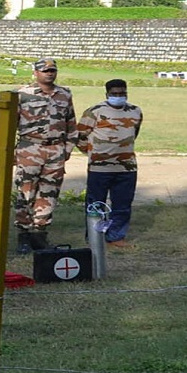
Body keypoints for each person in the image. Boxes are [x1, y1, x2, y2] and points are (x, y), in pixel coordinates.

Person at [14, 58, 78, 254]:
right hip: (30, 148)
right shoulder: (23, 94)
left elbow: (71, 124)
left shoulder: (64, 94)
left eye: (52, 70)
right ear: (36, 73)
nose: (49, 73)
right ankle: (24, 236)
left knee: (49, 194)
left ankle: (39, 234)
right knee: (25, 193)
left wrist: (66, 149)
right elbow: (10, 124)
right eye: (45, 70)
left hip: (55, 150)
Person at [76, 79, 143, 248]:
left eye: (122, 93)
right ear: (107, 94)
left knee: (122, 204)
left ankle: (116, 236)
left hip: (126, 167)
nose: (119, 97)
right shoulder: (94, 112)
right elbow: (80, 136)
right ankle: (94, 235)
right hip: (99, 168)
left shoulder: (135, 111)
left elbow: (133, 134)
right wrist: (93, 153)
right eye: (115, 94)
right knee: (96, 204)